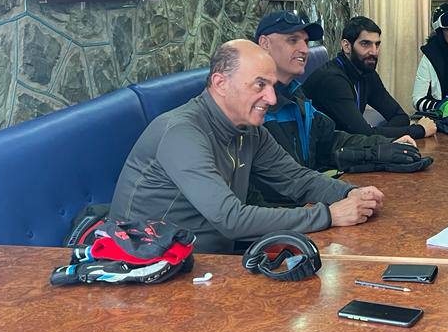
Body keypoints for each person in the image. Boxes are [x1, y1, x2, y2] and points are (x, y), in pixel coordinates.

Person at [110, 39, 384, 255]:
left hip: (211, 262)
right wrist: (328, 215)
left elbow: (296, 178)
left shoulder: (249, 129)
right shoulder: (181, 133)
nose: (272, 98)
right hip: (153, 272)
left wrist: (351, 193)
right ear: (220, 84)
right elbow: (231, 219)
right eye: (259, 85)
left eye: (272, 86)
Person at [252, 11, 416, 179]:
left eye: (306, 42)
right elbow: (285, 180)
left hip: (310, 186)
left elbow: (331, 140)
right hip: (294, 193)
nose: (304, 49)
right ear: (265, 43)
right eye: (293, 40)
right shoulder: (251, 105)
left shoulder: (297, 95)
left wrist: (386, 144)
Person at [303, 16, 437, 141]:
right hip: (319, 153)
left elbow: (399, 116)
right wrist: (419, 130)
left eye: (377, 44)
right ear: (346, 46)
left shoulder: (366, 72)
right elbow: (363, 134)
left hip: (347, 147)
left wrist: (377, 134)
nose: (373, 52)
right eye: (365, 44)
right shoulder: (333, 79)